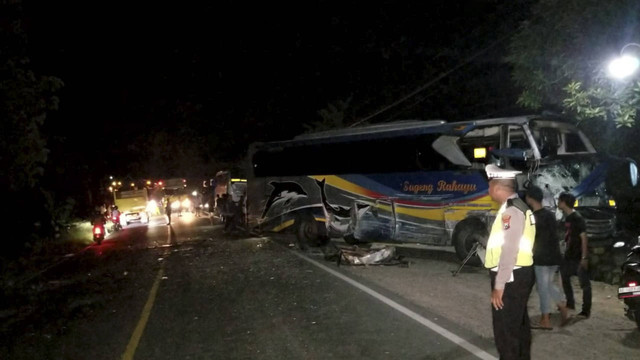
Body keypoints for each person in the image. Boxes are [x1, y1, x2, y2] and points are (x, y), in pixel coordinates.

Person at [484, 164, 536, 359]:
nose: (488, 190)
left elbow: (509, 249)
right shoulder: (520, 207)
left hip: (510, 277)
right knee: (519, 327)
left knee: (506, 333)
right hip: (519, 275)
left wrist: (499, 284)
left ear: (497, 187)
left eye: (489, 186)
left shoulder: (511, 212)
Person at [525, 186, 569, 329]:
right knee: (548, 285)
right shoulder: (549, 214)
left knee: (543, 288)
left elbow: (529, 239)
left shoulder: (532, 217)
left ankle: (545, 320)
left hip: (541, 258)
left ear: (530, 198)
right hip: (554, 257)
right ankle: (562, 306)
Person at [558, 192, 591, 319]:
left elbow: (584, 238)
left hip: (578, 256)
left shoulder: (577, 218)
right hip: (570, 255)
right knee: (564, 276)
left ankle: (585, 310)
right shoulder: (568, 217)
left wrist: (584, 257)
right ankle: (570, 303)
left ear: (564, 202)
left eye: (560, 201)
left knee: (585, 284)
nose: (558, 203)